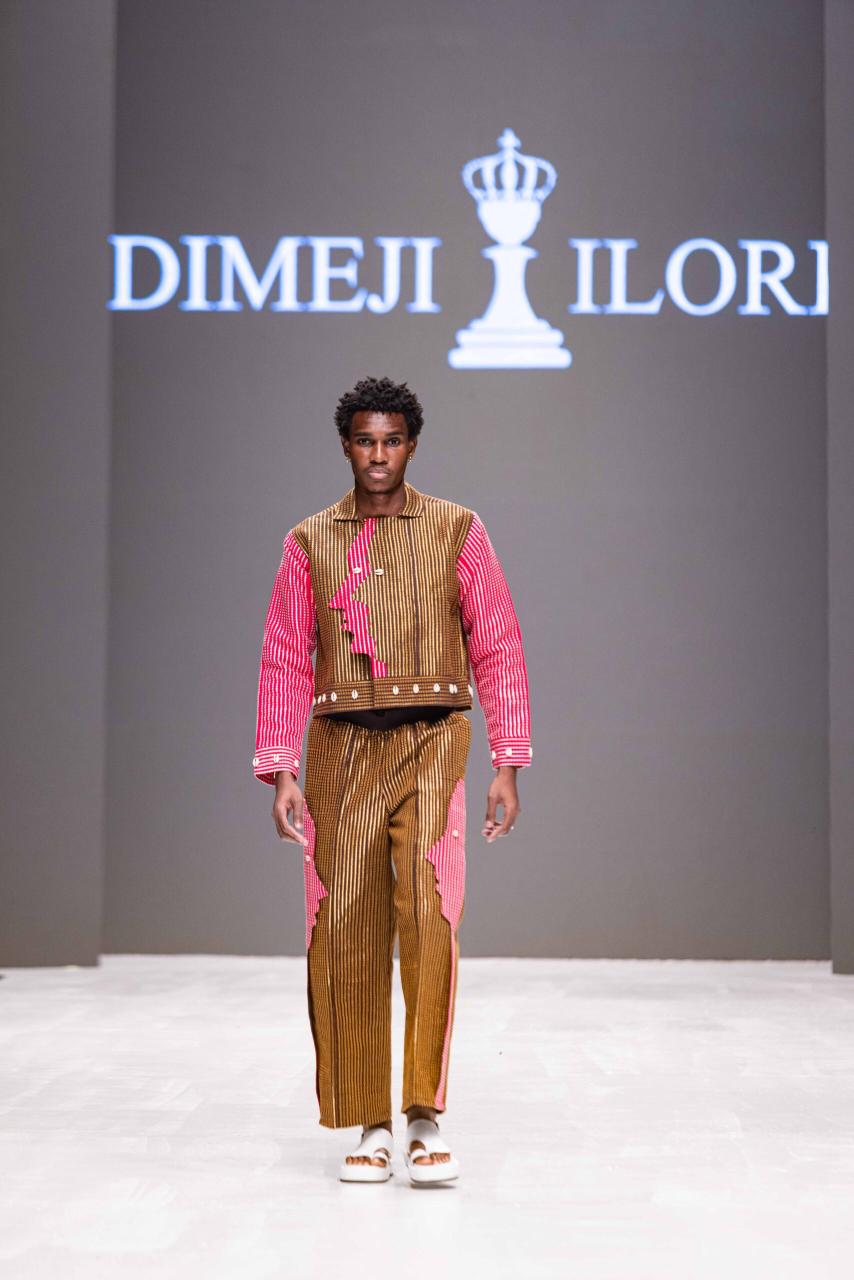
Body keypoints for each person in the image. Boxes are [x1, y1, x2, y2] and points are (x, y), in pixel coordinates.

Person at [252, 375, 532, 1185]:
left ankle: (422, 1114)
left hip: (434, 738)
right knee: (343, 926)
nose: (379, 455)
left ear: (412, 444)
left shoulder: (457, 530)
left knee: (430, 914)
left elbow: (497, 642)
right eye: (366, 441)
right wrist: (280, 769)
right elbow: (285, 654)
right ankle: (370, 1121)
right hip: (339, 750)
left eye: (393, 440)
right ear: (347, 446)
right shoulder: (308, 541)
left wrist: (508, 761)